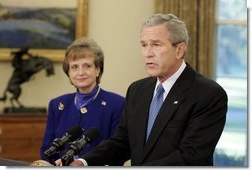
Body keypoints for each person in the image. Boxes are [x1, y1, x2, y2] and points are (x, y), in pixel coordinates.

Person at [56, 13, 228, 166]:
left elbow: (191, 157)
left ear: (179, 50)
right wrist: (83, 161)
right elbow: (121, 142)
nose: (148, 53)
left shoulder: (208, 94)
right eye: (144, 45)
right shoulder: (137, 90)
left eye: (156, 45)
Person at [40, 37, 125, 164]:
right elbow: (46, 149)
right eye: (74, 67)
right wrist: (59, 161)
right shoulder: (57, 105)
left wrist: (83, 163)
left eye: (87, 66)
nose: (80, 72)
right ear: (68, 72)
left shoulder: (117, 104)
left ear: (98, 70)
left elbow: (118, 150)